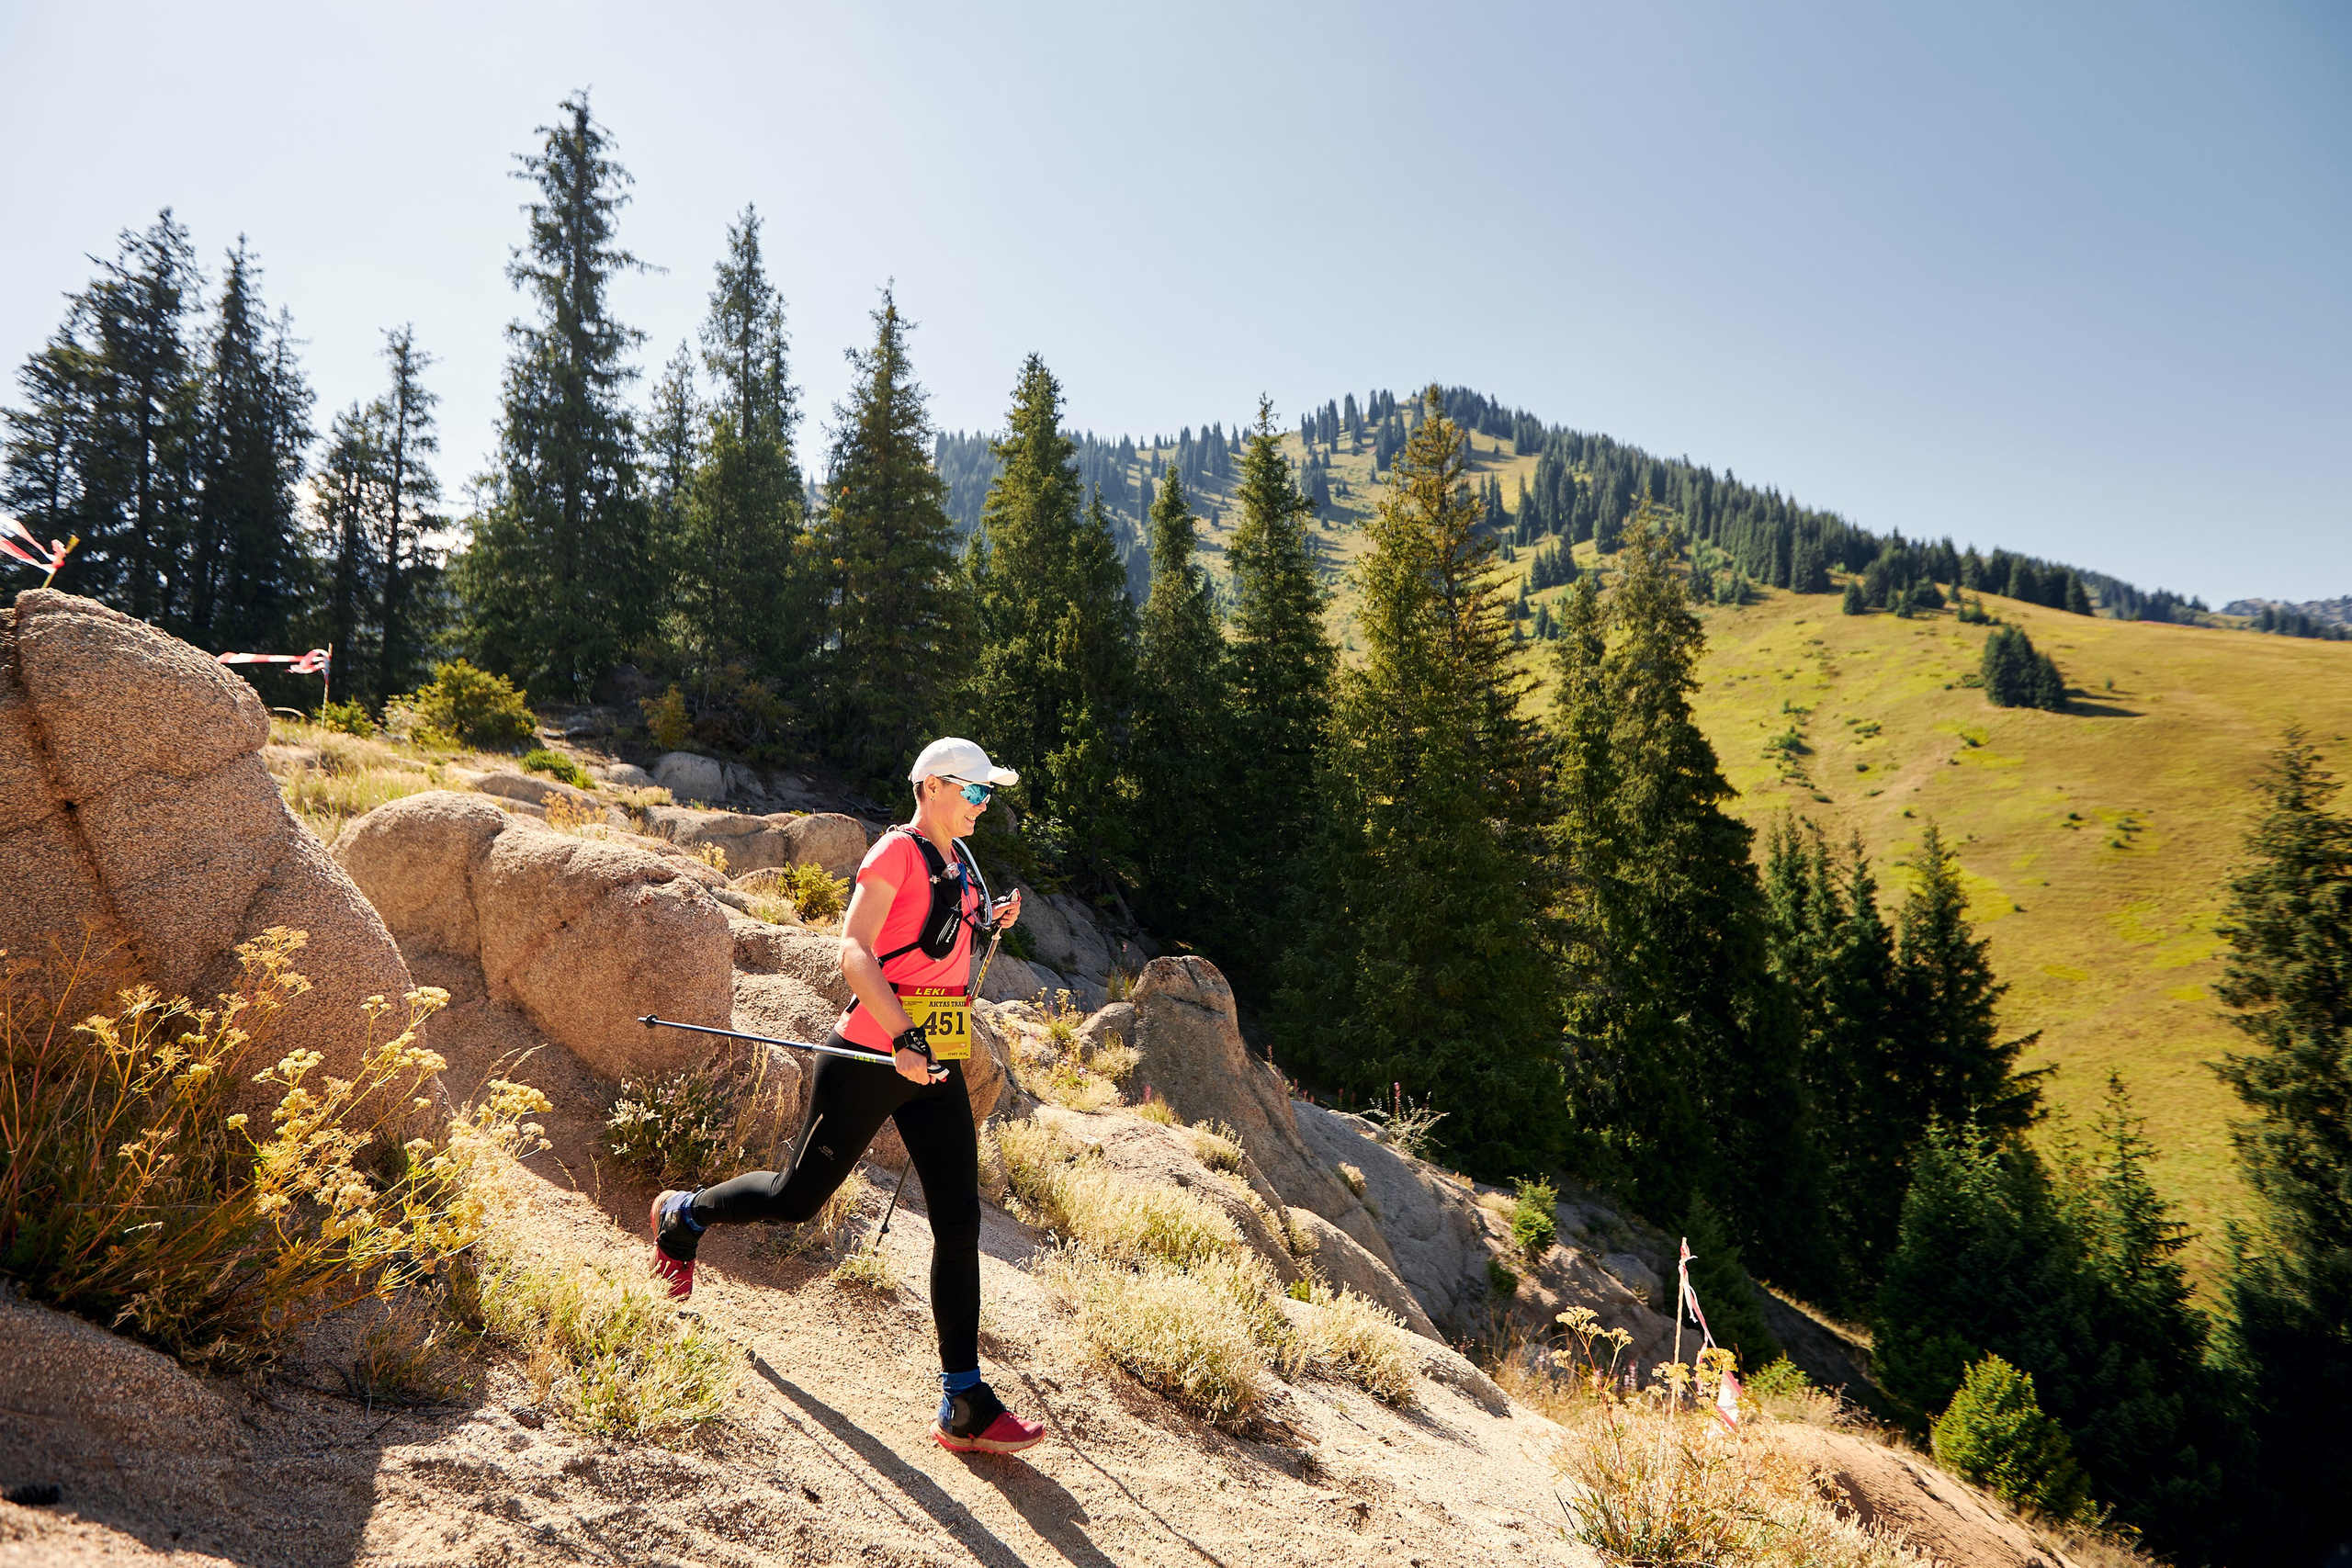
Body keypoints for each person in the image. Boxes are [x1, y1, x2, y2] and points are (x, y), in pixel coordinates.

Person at [647, 737, 1046, 1456]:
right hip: (871, 1053)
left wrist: (992, 920)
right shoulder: (894, 852)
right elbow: (855, 949)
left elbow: (936, 935)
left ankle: (964, 1399)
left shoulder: (961, 859)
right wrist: (900, 1034)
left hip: (939, 1057)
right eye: (977, 792)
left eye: (989, 794)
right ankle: (682, 1216)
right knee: (796, 1198)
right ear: (932, 786)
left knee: (959, 1221)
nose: (986, 804)